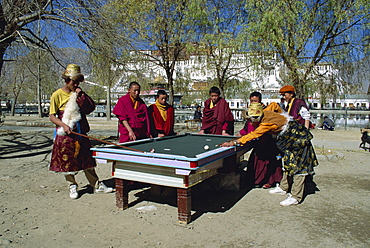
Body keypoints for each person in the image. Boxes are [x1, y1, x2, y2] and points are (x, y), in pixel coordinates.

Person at [221, 102, 318, 206]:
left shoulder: (266, 124)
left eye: (250, 120)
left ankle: (296, 196)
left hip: (298, 140)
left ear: (256, 118)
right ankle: (284, 187)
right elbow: (274, 105)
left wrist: (234, 142)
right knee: (289, 163)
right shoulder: (267, 111)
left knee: (299, 167)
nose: (250, 123)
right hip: (289, 141)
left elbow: (253, 134)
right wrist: (281, 116)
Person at [49, 64, 113, 199]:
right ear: (67, 80)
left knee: (87, 161)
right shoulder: (57, 95)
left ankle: (96, 185)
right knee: (67, 163)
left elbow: (90, 108)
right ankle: (72, 186)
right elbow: (52, 116)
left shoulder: (78, 94)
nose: (76, 84)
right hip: (65, 135)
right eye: (74, 81)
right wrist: (64, 126)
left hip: (80, 133)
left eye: (78, 81)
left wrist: (81, 95)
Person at [239, 92, 283, 189]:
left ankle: (270, 181)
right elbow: (248, 126)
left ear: (260, 101)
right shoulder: (251, 110)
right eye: (251, 101)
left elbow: (275, 106)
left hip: (267, 138)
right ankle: (255, 180)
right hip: (257, 140)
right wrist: (241, 134)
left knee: (270, 160)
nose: (253, 102)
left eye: (255, 101)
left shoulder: (265, 111)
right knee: (255, 160)